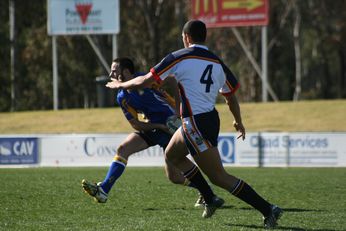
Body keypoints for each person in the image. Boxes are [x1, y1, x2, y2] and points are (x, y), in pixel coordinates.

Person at [105, 20, 283, 228]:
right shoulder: (217, 62)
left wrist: (121, 84)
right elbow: (231, 96)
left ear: (186, 37)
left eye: (183, 37)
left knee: (219, 177)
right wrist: (238, 120)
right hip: (206, 119)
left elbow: (145, 80)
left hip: (195, 123)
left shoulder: (180, 56)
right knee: (172, 154)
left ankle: (268, 209)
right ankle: (210, 198)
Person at [82, 57, 223, 209]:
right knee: (123, 149)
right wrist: (158, 126)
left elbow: (172, 80)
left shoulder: (146, 80)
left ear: (127, 72)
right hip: (155, 127)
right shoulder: (122, 96)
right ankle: (104, 190)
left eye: (114, 71)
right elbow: (136, 124)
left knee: (174, 176)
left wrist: (177, 109)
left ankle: (205, 191)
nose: (111, 75)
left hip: (172, 128)